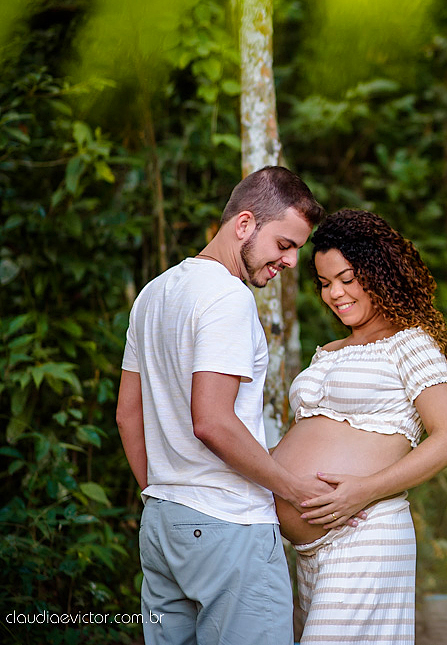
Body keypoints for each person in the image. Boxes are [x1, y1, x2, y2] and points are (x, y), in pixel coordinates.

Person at [116, 166, 332, 645]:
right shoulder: (227, 298)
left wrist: (164, 492)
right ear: (244, 225)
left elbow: (126, 415)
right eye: (284, 244)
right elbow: (212, 421)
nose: (292, 261)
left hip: (163, 523)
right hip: (229, 526)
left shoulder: (154, 293)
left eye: (297, 248)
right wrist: (292, 490)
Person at [270, 209, 447, 644]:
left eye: (346, 278)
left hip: (366, 535)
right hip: (307, 552)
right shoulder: (329, 352)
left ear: (378, 272)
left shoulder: (409, 343)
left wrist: (365, 489)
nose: (334, 293)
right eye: (324, 284)